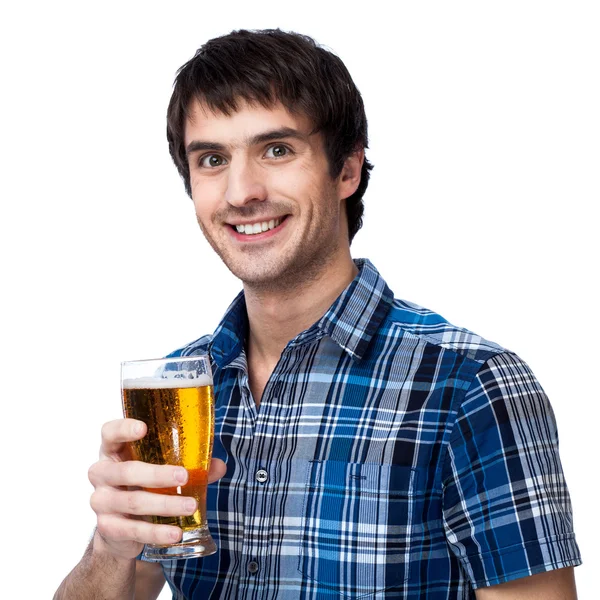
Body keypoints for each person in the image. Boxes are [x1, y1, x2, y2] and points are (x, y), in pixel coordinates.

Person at [55, 29, 582, 599]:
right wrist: (111, 546)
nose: (241, 192)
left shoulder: (471, 385)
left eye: (276, 150)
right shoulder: (186, 384)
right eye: (211, 159)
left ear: (347, 170)